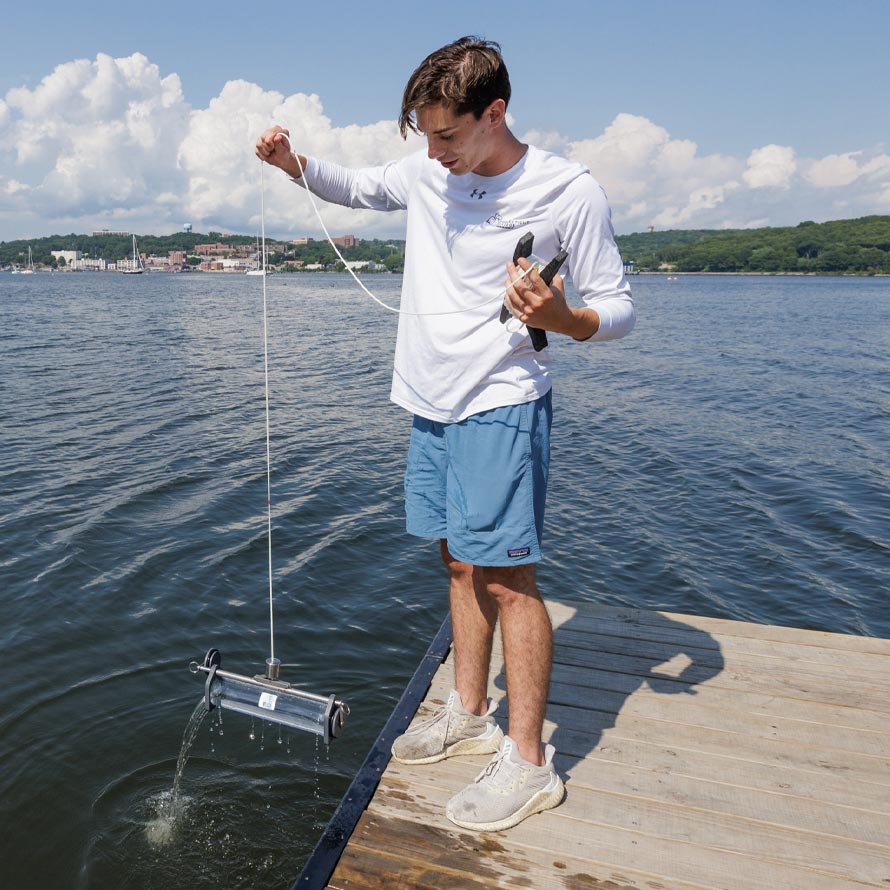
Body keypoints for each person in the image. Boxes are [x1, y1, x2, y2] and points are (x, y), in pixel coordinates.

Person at [256, 36, 634, 832]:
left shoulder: (569, 191)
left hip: (500, 399)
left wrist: (562, 318)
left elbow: (619, 309)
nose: (433, 153)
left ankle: (529, 764)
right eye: (424, 136)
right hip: (427, 401)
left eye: (448, 135)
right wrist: (293, 163)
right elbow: (356, 185)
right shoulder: (431, 168)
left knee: (507, 577)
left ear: (494, 113)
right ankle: (467, 711)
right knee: (458, 561)